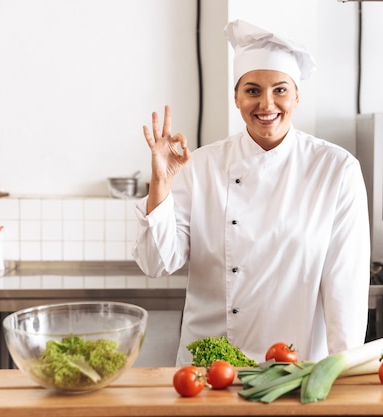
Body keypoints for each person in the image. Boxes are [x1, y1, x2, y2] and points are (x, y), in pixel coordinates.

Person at [133, 19, 370, 367]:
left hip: (294, 370)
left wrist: (341, 374)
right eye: (253, 90)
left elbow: (344, 288)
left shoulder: (336, 170)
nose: (266, 104)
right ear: (236, 97)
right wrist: (161, 181)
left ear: (297, 96)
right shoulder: (201, 166)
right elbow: (156, 263)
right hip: (208, 371)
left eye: (280, 89)